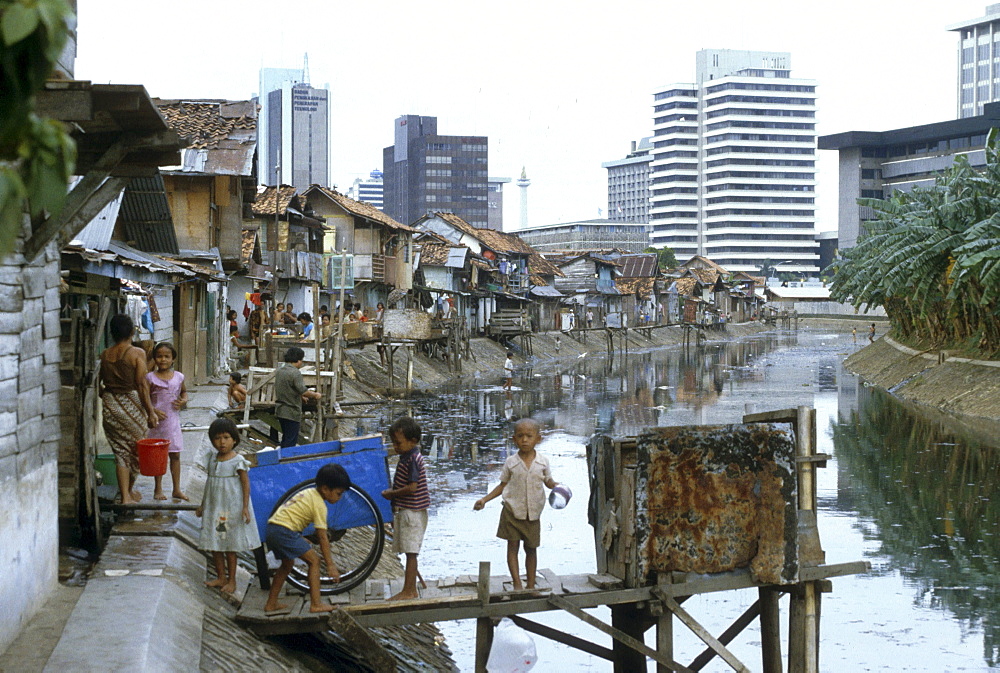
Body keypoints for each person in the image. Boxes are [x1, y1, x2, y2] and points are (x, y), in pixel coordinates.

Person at [473, 418, 557, 590]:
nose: (524, 440)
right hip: (512, 512)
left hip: (533, 514)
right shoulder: (511, 462)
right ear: (514, 439)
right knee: (512, 547)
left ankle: (531, 585)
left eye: (529, 436)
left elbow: (548, 481)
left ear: (538, 439)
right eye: (520, 436)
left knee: (531, 549)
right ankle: (517, 583)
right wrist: (484, 500)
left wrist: (558, 487)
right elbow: (502, 485)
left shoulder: (542, 462)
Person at [264, 463, 351, 614]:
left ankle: (271, 604)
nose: (339, 497)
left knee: (286, 565)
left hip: (273, 529)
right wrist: (330, 565)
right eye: (338, 493)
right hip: (284, 532)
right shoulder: (319, 505)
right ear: (325, 489)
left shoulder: (308, 492)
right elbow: (322, 537)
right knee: (314, 561)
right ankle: (316, 604)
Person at [100, 314, 159, 505]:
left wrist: (110, 399)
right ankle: (128, 494)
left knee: (120, 451)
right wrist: (150, 411)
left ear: (112, 332)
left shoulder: (105, 354)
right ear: (132, 331)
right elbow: (142, 385)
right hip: (131, 402)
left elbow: (100, 383)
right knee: (135, 449)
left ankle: (126, 495)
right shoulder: (136, 353)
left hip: (110, 402)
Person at [197, 418, 261, 594]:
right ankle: (221, 577)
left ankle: (232, 580)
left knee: (228, 545)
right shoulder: (212, 459)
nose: (222, 442)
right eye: (217, 438)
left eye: (226, 437)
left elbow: (245, 484)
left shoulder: (237, 461)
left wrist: (245, 507)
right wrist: (203, 505)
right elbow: (209, 484)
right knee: (215, 543)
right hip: (213, 508)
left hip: (227, 510)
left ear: (234, 439)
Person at [380, 416, 430, 600]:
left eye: (398, 443)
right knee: (410, 551)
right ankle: (409, 588)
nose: (396, 446)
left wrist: (392, 494)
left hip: (412, 512)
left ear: (413, 441)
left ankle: (409, 590)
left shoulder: (413, 460)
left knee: (411, 553)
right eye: (394, 442)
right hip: (407, 511)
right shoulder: (407, 457)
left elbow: (412, 487)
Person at [145, 342, 188, 501]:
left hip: (173, 422)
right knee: (158, 456)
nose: (163, 359)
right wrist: (152, 411)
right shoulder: (150, 378)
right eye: (159, 356)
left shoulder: (179, 377)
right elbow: (144, 399)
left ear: (173, 359)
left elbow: (184, 392)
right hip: (157, 424)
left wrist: (183, 401)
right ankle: (158, 489)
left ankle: (177, 489)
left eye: (166, 356)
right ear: (154, 359)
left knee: (175, 455)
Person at [275, 346, 322, 448]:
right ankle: (287, 460)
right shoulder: (295, 373)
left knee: (286, 437)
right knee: (290, 441)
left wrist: (300, 396)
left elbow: (288, 388)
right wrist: (315, 395)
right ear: (298, 360)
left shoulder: (280, 370)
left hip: (280, 409)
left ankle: (283, 457)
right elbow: (303, 390)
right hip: (291, 410)